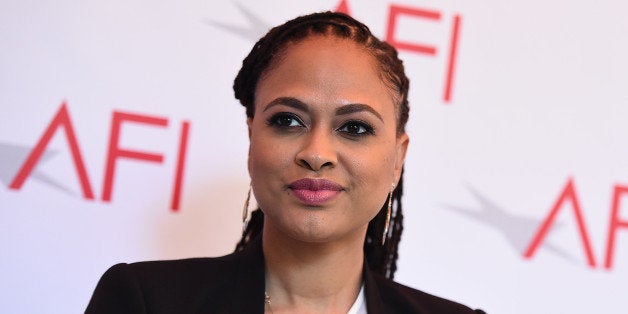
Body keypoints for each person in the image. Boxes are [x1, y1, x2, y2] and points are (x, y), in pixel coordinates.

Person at [86, 11, 486, 313]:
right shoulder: (145, 301)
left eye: (355, 128)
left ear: (397, 158)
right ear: (251, 138)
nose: (316, 153)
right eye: (287, 120)